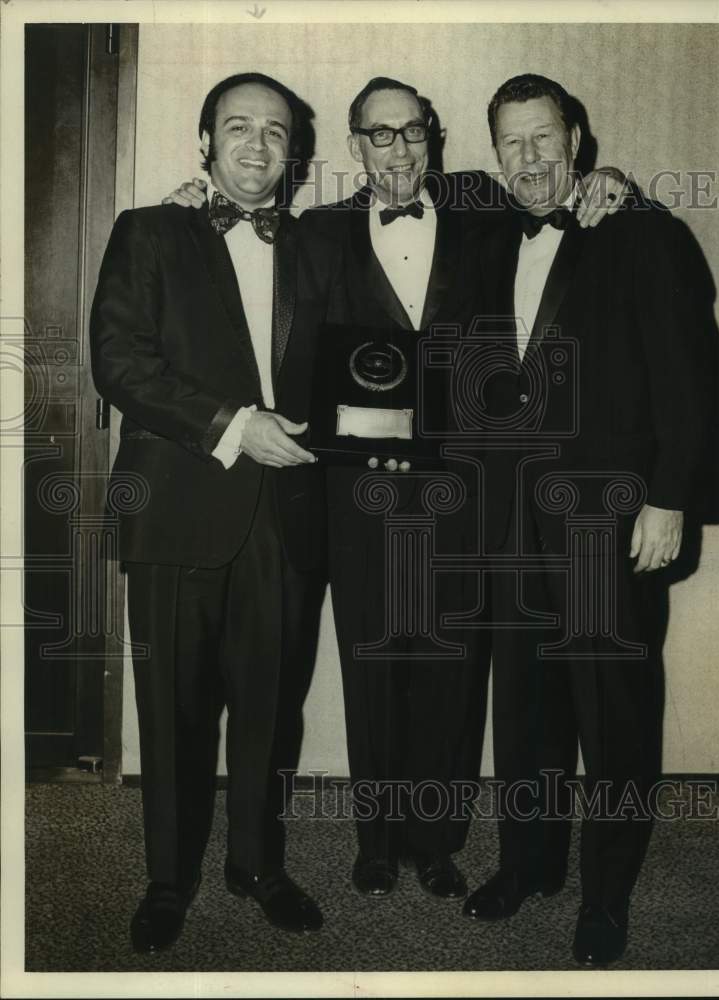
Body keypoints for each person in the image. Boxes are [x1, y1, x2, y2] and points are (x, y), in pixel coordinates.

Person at [165, 75, 627, 903]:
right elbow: (234, 250)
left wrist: (616, 186)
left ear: (432, 138)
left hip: (466, 491)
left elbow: (557, 194)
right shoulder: (315, 232)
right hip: (356, 498)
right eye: (379, 135)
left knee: (451, 673)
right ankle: (375, 844)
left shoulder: (485, 208)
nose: (397, 150)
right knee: (371, 667)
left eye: (411, 132)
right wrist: (192, 202)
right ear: (355, 146)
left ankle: (436, 841)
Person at [461, 73, 711, 966]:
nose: (527, 160)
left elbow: (690, 378)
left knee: (614, 720)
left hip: (614, 524)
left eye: (541, 139)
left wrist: (671, 497)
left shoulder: (643, 233)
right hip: (512, 530)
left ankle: (605, 897)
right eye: (509, 144)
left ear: (574, 138)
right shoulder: (486, 236)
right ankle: (528, 864)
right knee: (524, 714)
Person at [90, 72, 336, 952]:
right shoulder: (149, 231)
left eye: (275, 132)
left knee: (272, 708)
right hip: (175, 508)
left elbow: (427, 207)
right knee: (172, 710)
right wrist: (233, 424)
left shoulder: (319, 247)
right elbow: (119, 364)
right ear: (204, 144)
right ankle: (168, 879)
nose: (257, 146)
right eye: (238, 128)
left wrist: (600, 189)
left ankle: (257, 865)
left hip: (286, 513)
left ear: (294, 153)